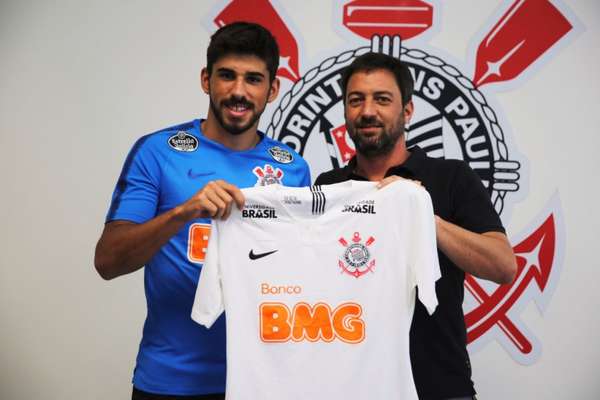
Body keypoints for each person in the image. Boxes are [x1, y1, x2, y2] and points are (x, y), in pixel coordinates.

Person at [94, 22, 310, 400]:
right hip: (170, 380)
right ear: (206, 80)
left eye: (253, 79)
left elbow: (303, 273)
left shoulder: (293, 168)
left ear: (273, 89)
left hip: (263, 381)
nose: (238, 91)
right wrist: (183, 212)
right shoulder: (158, 152)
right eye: (226, 76)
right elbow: (108, 261)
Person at [314, 52, 517, 400]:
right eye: (356, 100)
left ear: (407, 111)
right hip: (349, 385)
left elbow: (503, 266)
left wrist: (424, 216)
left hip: (438, 385)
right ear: (345, 111)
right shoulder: (328, 185)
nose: (367, 111)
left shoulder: (452, 177)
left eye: (382, 99)